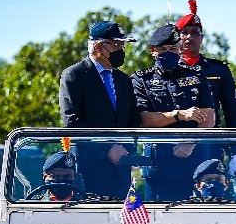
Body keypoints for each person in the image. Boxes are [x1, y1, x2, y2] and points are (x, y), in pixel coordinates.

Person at [133, 24, 215, 201]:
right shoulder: (141, 79)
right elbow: (144, 120)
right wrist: (179, 115)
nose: (168, 52)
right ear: (152, 51)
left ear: (180, 49)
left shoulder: (196, 75)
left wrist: (190, 142)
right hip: (159, 163)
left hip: (196, 161)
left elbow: (209, 116)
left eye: (172, 48)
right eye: (162, 49)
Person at [58, 21, 139, 199]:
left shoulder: (123, 79)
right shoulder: (74, 75)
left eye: (122, 45)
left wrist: (128, 152)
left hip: (121, 170)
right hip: (89, 168)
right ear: (98, 47)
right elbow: (72, 122)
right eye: (116, 45)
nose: (121, 50)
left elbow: (133, 118)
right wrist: (107, 148)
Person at [175, 0, 236, 182]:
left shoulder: (218, 70)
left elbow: (233, 113)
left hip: (209, 149)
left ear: (202, 37)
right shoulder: (166, 71)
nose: (189, 37)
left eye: (195, 33)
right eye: (184, 33)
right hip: (172, 148)